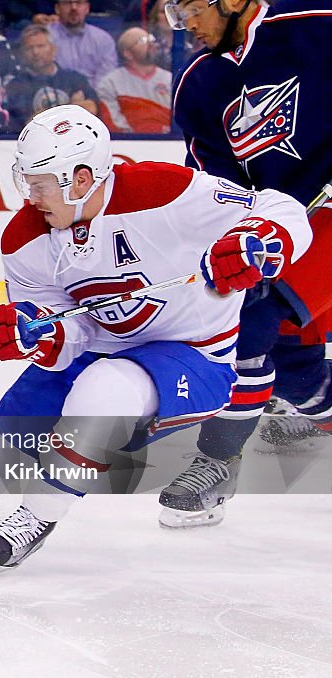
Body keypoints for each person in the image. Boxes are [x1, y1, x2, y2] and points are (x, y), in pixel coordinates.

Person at [0, 105, 311, 573]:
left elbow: (282, 209)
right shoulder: (24, 239)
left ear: (81, 179)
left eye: (39, 184)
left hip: (193, 357)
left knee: (106, 388)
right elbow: (68, 332)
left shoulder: (164, 191)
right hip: (102, 348)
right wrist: (32, 332)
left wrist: (261, 240)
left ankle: (37, 515)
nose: (30, 196)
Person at [162, 0, 332, 527]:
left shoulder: (313, 28)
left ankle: (215, 464)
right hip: (278, 227)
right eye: (174, 11)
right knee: (295, 372)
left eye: (189, 8)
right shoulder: (199, 84)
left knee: (251, 319)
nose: (185, 23)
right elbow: (215, 187)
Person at [5, 24, 99, 132]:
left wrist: (45, 113)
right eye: (29, 48)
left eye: (40, 46)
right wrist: (72, 107)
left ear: (53, 49)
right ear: (22, 53)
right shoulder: (16, 85)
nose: (35, 52)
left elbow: (91, 108)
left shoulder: (75, 78)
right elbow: (29, 123)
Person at [96, 26, 171, 133]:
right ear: (128, 54)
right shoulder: (110, 83)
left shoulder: (170, 79)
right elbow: (113, 123)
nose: (150, 44)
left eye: (150, 39)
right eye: (143, 41)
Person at [48, 0, 118, 87]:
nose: (73, 7)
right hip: (55, 95)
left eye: (78, 2)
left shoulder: (103, 40)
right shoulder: (45, 38)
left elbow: (106, 80)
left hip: (95, 97)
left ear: (87, 8)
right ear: (57, 8)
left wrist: (90, 97)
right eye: (67, 3)